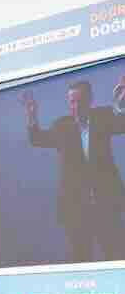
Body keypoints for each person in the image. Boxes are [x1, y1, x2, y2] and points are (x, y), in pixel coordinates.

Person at [24, 78, 125, 262]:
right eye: (72, 102)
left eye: (80, 101)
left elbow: (121, 123)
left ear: (90, 100)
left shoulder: (103, 117)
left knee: (116, 257)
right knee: (81, 260)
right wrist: (32, 115)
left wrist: (121, 103)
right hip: (76, 210)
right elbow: (37, 139)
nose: (76, 107)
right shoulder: (62, 126)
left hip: (107, 206)